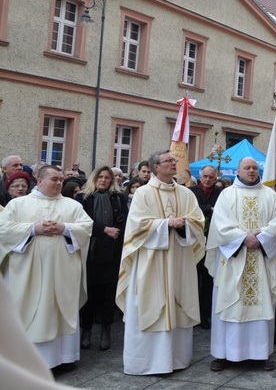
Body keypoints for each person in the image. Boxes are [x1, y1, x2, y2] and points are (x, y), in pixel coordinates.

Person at [116, 149, 205, 375]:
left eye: (174, 160)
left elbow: (198, 222)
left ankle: (177, 359)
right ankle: (146, 362)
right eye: (169, 161)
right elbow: (136, 225)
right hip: (151, 261)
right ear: (156, 166)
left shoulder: (186, 194)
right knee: (148, 303)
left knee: (178, 302)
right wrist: (167, 224)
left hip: (179, 261)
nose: (174, 163)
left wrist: (184, 224)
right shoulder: (143, 193)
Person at [0, 164, 93, 368]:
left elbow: (86, 228)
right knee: (30, 312)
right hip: (27, 274)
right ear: (40, 181)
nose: (59, 182)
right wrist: (33, 229)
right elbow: (3, 229)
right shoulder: (18, 204)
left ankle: (64, 358)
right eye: (54, 179)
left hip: (63, 272)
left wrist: (65, 228)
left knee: (61, 311)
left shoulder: (72, 205)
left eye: (61, 179)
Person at [205, 157, 276, 372]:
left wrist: (261, 238)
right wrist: (243, 238)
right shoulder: (227, 194)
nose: (251, 171)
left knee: (261, 304)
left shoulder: (269, 195)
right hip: (234, 260)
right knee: (230, 303)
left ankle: (260, 353)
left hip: (260, 257)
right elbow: (220, 225)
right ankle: (224, 354)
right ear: (238, 171)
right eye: (246, 168)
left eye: (254, 168)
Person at [75, 166, 128, 351]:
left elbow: (123, 220)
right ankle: (86, 331)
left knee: (108, 294)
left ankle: (106, 331)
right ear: (94, 178)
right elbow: (82, 221)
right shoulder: (83, 198)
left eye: (107, 177)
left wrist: (112, 233)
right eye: (100, 177)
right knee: (89, 293)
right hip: (90, 251)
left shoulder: (119, 198)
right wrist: (103, 230)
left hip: (112, 252)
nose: (104, 180)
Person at [190, 165, 222, 329]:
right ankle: (193, 313)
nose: (208, 180)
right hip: (193, 241)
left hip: (212, 241)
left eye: (211, 177)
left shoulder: (220, 194)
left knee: (209, 278)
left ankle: (205, 314)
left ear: (215, 178)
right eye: (205, 176)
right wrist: (209, 209)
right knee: (193, 280)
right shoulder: (191, 192)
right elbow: (191, 211)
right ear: (200, 176)